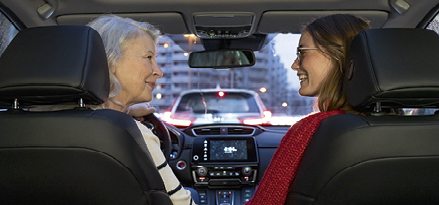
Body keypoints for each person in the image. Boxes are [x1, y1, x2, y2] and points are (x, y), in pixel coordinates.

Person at [245, 14, 370, 205]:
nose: (295, 65)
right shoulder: (409, 130)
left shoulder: (312, 130)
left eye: (302, 52)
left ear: (339, 55)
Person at [86, 15, 196, 205]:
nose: (159, 71)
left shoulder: (30, 128)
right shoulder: (135, 137)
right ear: (110, 60)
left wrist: (124, 110)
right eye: (149, 57)